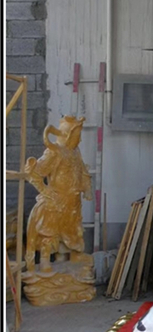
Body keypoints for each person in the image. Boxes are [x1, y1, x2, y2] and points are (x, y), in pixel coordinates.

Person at [24, 116, 92, 272]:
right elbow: (34, 173)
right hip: (57, 201)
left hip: (73, 202)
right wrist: (45, 191)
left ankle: (67, 256)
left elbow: (83, 171)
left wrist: (87, 189)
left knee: (72, 231)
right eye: (77, 136)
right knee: (50, 231)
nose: (80, 140)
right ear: (67, 135)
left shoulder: (75, 152)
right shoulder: (54, 152)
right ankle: (45, 259)